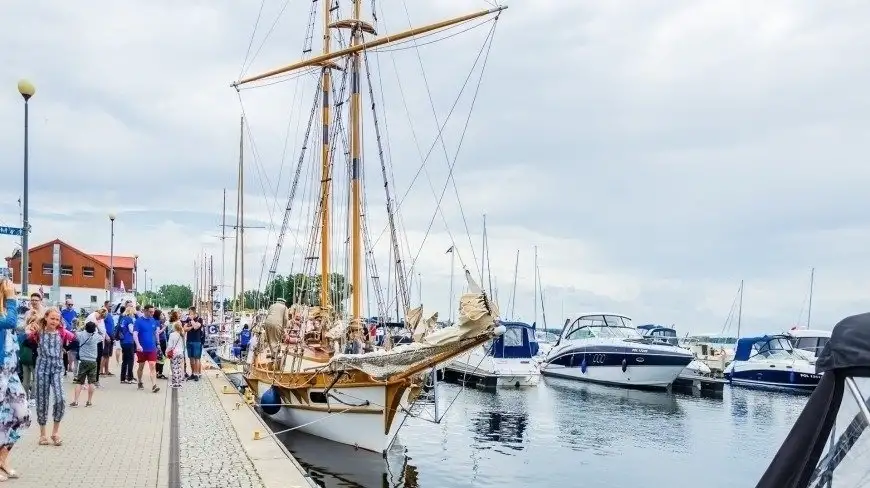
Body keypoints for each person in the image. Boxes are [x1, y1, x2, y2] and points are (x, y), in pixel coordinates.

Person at [29, 308, 75, 446]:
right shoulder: (37, 332)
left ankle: (55, 432)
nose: (54, 321)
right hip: (42, 368)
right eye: (52, 318)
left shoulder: (62, 333)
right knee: (42, 400)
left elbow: (75, 341)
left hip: (57, 368)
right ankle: (43, 434)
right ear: (46, 318)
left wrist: (65, 350)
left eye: (57, 319)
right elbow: (26, 339)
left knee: (60, 398)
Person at [0, 279, 30, 479]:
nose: (12, 292)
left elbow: (11, 335)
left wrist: (26, 333)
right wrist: (11, 299)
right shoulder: (7, 313)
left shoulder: (5, 313)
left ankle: (2, 458)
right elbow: (9, 322)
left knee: (22, 415)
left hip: (10, 372)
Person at [69, 321, 102, 407]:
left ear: (86, 328)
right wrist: (97, 327)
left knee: (79, 382)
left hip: (83, 361)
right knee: (92, 382)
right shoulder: (96, 336)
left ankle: (76, 401)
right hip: (93, 361)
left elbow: (74, 332)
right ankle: (89, 401)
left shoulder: (81, 335)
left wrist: (81, 327)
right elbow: (102, 335)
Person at [133, 305, 160, 393]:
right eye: (150, 312)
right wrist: (138, 345)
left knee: (152, 365)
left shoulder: (153, 321)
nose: (152, 313)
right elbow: (135, 334)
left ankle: (154, 385)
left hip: (152, 348)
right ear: (145, 311)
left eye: (153, 312)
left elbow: (156, 333)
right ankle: (140, 381)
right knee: (141, 366)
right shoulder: (138, 321)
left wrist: (158, 343)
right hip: (141, 349)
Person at [182, 307, 203, 381]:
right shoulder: (187, 319)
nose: (189, 314)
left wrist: (191, 321)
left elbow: (197, 327)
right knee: (191, 358)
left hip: (197, 341)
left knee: (197, 358)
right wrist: (191, 326)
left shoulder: (199, 319)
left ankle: (197, 374)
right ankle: (193, 373)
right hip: (189, 340)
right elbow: (184, 329)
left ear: (194, 313)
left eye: (190, 312)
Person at [118, 306, 136, 384]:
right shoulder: (129, 319)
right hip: (129, 341)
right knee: (130, 360)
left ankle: (122, 378)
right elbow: (132, 331)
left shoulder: (123, 319)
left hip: (123, 341)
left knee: (124, 360)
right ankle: (130, 378)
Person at [166, 312, 185, 388]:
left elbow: (170, 345)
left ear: (174, 327)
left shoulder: (172, 334)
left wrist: (167, 351)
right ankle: (179, 381)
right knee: (179, 367)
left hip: (174, 353)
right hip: (181, 352)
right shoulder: (182, 334)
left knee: (174, 367)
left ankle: (176, 383)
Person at [100, 300, 115, 377]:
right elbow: (101, 325)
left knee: (108, 355)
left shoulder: (109, 314)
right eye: (109, 306)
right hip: (106, 337)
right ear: (105, 305)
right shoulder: (104, 314)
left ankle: (106, 371)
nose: (110, 307)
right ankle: (101, 371)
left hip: (111, 336)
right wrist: (106, 335)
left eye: (111, 306)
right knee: (104, 354)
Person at [154, 309, 168, 380]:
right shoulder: (157, 322)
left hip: (159, 341)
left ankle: (157, 372)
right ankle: (159, 373)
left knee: (158, 357)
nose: (162, 315)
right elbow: (158, 332)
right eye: (161, 314)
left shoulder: (157, 321)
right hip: (160, 341)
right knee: (161, 357)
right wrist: (164, 328)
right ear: (158, 315)